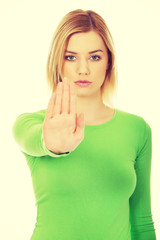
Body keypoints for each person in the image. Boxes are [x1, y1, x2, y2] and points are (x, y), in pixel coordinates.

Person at [12, 9, 156, 240]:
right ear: (57, 61)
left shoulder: (137, 129)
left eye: (94, 57)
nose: (83, 69)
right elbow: (36, 139)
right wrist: (54, 144)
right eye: (70, 57)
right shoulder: (31, 123)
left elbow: (142, 222)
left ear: (109, 61)